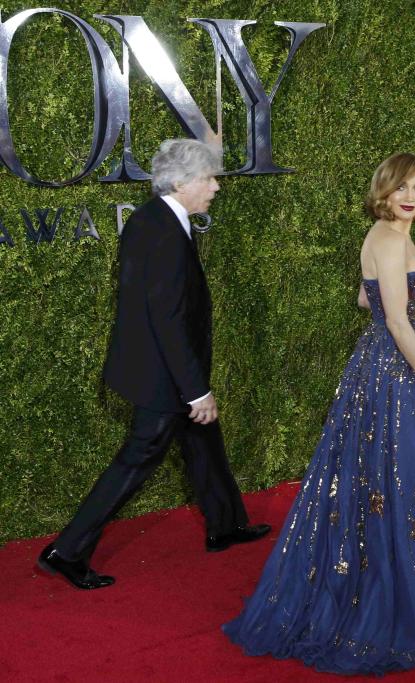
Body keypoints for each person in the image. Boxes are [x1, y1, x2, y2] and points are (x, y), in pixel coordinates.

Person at [223, 153, 415, 674]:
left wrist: (410, 313)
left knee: (398, 474)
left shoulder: (384, 236)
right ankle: (391, 592)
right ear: (383, 189)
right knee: (408, 477)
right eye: (402, 187)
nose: (412, 197)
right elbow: (398, 322)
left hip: (380, 366)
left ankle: (414, 582)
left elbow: (367, 299)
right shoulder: (389, 237)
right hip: (402, 375)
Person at [37, 139, 270, 590]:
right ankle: (66, 552)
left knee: (203, 439)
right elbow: (166, 319)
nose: (216, 187)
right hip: (162, 372)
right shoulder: (163, 229)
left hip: (163, 366)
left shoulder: (155, 219)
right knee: (139, 456)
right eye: (208, 178)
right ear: (182, 182)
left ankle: (226, 524)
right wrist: (195, 389)